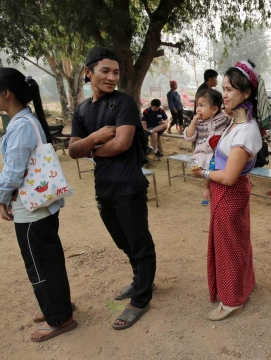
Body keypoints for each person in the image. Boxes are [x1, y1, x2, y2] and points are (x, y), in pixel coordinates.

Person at [68, 47, 156, 330]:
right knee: (122, 241)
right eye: (105, 71)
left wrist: (89, 149)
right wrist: (95, 137)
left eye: (115, 72)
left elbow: (122, 143)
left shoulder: (124, 103)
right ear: (88, 72)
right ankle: (140, 279)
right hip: (103, 187)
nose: (111, 77)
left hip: (128, 185)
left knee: (139, 242)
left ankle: (141, 299)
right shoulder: (82, 109)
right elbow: (72, 150)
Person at [0, 68, 77, 342]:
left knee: (39, 264)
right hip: (39, 205)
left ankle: (59, 318)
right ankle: (59, 307)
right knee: (49, 259)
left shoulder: (21, 125)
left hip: (31, 210)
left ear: (6, 93)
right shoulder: (26, 121)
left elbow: (14, 171)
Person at [192, 60, 263, 321]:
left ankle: (232, 299)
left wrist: (204, 174)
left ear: (246, 93)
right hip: (226, 194)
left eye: (231, 89)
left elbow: (230, 177)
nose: (224, 94)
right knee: (236, 243)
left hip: (229, 194)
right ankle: (243, 285)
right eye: (223, 88)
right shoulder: (236, 123)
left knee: (229, 247)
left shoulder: (245, 130)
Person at [184, 89, 230, 204]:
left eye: (202, 105)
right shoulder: (198, 122)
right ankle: (205, 187)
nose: (198, 109)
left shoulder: (223, 118)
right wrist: (193, 122)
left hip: (215, 154)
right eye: (197, 105)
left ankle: (207, 187)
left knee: (211, 164)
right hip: (200, 153)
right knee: (195, 166)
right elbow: (189, 137)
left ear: (214, 109)